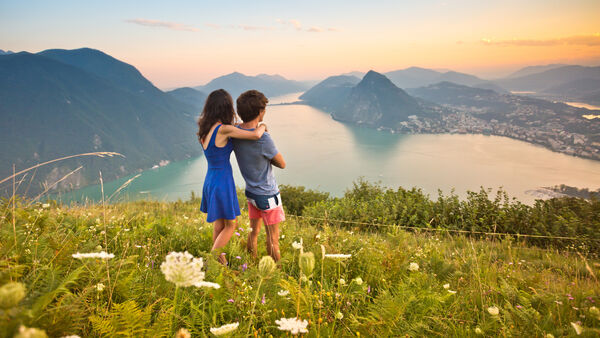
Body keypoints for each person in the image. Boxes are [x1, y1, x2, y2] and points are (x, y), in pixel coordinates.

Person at [197, 89, 267, 265]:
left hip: (210, 179)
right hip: (222, 181)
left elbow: (235, 129)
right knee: (231, 225)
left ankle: (221, 264)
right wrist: (263, 126)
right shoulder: (224, 129)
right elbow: (255, 135)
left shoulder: (206, 130)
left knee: (219, 225)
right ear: (225, 108)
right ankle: (210, 261)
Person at [232, 90, 286, 262]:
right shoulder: (264, 139)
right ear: (260, 112)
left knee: (253, 232)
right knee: (273, 239)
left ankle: (252, 264)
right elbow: (282, 163)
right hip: (268, 194)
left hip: (251, 193)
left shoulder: (235, 133)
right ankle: (276, 275)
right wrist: (263, 129)